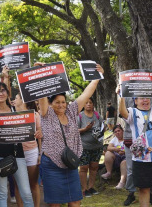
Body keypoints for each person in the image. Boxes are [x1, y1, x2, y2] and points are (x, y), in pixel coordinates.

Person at [38, 63, 104, 207]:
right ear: (50, 104)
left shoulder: (72, 111)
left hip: (71, 164)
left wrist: (96, 78)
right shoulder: (46, 114)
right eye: (57, 102)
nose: (61, 105)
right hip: (52, 165)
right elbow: (41, 97)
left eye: (63, 102)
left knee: (75, 201)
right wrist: (42, 74)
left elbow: (87, 93)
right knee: (55, 204)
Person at [0, 82, 34, 207]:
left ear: (8, 93)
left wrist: (36, 131)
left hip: (17, 154)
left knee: (26, 192)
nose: (0, 93)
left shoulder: (16, 109)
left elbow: (27, 125)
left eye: (3, 90)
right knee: (2, 193)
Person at [118, 91, 152, 207]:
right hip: (142, 160)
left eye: (147, 97)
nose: (145, 100)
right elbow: (122, 112)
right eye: (141, 98)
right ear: (135, 101)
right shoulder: (132, 112)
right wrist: (121, 96)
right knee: (144, 189)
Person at [13, 94, 42, 207]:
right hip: (16, 153)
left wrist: (40, 153)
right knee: (17, 184)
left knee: (33, 184)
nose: (14, 100)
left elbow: (39, 135)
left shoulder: (35, 115)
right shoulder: (11, 115)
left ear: (23, 100)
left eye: (16, 98)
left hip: (31, 152)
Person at [77, 98, 104, 197]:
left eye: (90, 102)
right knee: (84, 167)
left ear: (93, 104)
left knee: (94, 167)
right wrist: (85, 129)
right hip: (84, 146)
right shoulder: (80, 116)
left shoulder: (97, 115)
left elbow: (103, 126)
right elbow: (74, 131)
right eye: (86, 102)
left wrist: (99, 131)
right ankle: (84, 189)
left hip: (97, 146)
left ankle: (91, 187)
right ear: (83, 105)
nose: (88, 104)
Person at [100, 124, 126, 189]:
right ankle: (108, 173)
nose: (117, 133)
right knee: (108, 153)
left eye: (119, 131)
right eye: (115, 132)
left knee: (124, 163)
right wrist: (115, 149)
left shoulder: (127, 138)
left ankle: (122, 182)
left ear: (122, 131)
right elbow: (109, 148)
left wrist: (125, 151)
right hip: (117, 158)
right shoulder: (114, 139)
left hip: (126, 158)